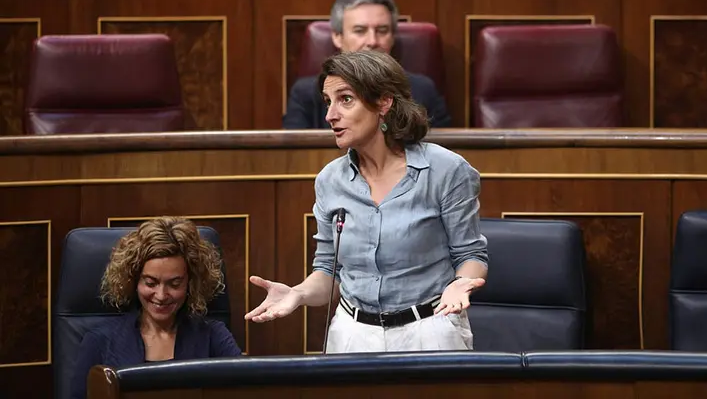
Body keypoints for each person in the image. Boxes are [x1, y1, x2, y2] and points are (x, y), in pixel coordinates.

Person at [247, 50, 488, 353]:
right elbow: (328, 271)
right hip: (352, 334)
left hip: (430, 328)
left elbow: (471, 254)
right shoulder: (330, 180)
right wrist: (299, 293)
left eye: (345, 99)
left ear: (383, 102)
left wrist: (461, 283)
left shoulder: (445, 170)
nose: (330, 115)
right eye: (328, 101)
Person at [69, 217, 241, 399]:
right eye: (150, 283)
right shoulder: (100, 341)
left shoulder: (213, 336)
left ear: (191, 283)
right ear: (134, 281)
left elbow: (246, 389)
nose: (161, 295)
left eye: (174, 284)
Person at [283, 0, 452, 129]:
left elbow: (444, 151)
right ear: (337, 36)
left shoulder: (423, 90)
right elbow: (294, 153)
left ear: (392, 37)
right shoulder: (305, 94)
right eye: (360, 31)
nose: (372, 41)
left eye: (382, 31)